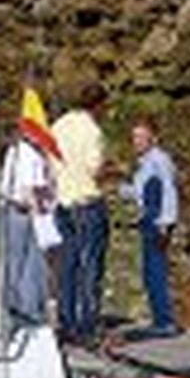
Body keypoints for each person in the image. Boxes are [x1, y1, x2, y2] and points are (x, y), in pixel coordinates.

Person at [51, 82, 110, 345]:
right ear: (98, 105)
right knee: (91, 266)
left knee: (67, 266)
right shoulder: (93, 131)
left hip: (61, 202)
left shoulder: (58, 126)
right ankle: (87, 327)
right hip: (86, 201)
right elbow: (93, 168)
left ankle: (66, 322)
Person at [0, 88, 61, 327]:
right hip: (22, 213)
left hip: (20, 210)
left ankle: (25, 309)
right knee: (22, 264)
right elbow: (28, 190)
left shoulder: (22, 151)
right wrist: (41, 217)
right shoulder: (27, 154)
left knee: (26, 264)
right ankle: (19, 311)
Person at [121, 118, 180, 338]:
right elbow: (139, 193)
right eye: (134, 137)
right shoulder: (145, 162)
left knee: (156, 271)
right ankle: (160, 319)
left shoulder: (159, 160)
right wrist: (120, 188)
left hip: (157, 221)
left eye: (140, 137)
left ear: (153, 138)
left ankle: (165, 321)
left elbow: (169, 191)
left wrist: (165, 222)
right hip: (147, 220)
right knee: (149, 272)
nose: (136, 141)